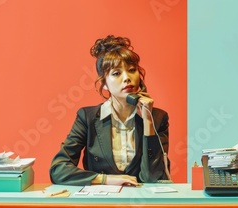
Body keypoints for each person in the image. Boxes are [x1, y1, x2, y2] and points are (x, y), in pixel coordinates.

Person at [49, 35, 170, 186]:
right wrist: (105, 179)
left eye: (132, 70)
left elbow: (152, 177)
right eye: (116, 73)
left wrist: (148, 122)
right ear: (104, 83)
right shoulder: (87, 117)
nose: (127, 78)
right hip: (102, 201)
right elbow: (58, 170)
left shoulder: (158, 118)